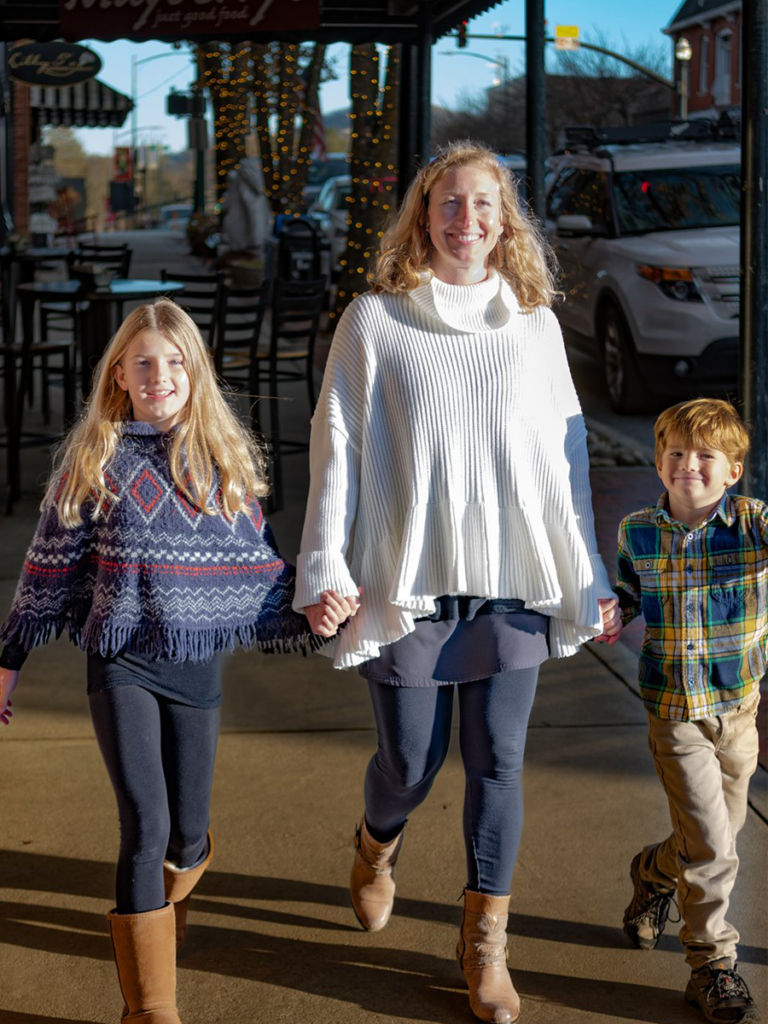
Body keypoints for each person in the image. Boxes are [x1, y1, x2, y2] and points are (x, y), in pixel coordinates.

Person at [292, 141, 620, 1024]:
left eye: (483, 204)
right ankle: (375, 845)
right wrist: (324, 564)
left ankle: (485, 950)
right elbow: (341, 451)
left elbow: (566, 457)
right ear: (422, 216)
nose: (466, 219)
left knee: (498, 761)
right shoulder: (375, 318)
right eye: (448, 202)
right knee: (409, 761)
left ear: (503, 219)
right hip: (408, 576)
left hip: (510, 575)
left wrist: (586, 571)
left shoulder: (534, 323)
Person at [0, 299, 314, 1024]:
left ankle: (174, 897)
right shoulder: (94, 459)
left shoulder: (219, 463)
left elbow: (259, 570)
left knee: (186, 833)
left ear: (195, 372)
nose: (160, 374)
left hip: (194, 667)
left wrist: (315, 608)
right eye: (144, 361)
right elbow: (46, 567)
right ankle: (150, 1010)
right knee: (144, 822)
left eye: (175, 362)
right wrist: (9, 657)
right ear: (119, 373)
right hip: (120, 663)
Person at [614, 398, 761, 1024]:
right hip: (673, 712)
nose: (688, 465)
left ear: (733, 472)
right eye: (676, 452)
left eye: (706, 456)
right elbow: (624, 596)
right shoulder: (637, 531)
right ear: (658, 461)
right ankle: (711, 965)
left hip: (739, 710)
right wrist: (606, 614)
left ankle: (652, 871)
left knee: (720, 836)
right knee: (711, 846)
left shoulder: (752, 524)